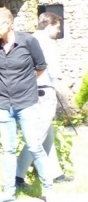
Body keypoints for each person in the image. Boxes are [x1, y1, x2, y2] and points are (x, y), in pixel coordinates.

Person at [0, 7, 56, 202]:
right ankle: (9, 191)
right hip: (2, 103)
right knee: (7, 150)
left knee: (34, 145)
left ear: (8, 24)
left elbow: (41, 67)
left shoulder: (28, 41)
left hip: (26, 103)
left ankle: (48, 190)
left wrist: (25, 82)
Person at [16, 12, 72, 187]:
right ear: (49, 26)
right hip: (45, 91)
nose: (58, 30)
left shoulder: (28, 40)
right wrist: (64, 95)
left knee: (47, 134)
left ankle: (56, 173)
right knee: (38, 135)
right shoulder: (48, 43)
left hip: (29, 91)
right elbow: (54, 72)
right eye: (57, 27)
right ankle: (17, 176)